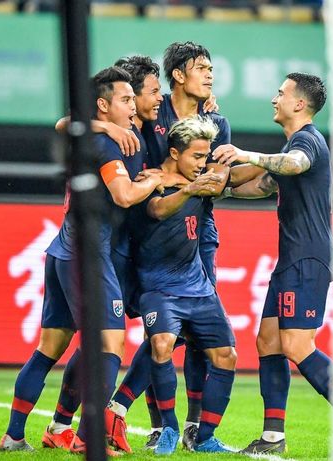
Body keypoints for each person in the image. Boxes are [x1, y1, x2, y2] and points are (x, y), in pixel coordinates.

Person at [0, 66, 163, 454]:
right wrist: (153, 181)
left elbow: (64, 124)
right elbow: (122, 195)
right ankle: (88, 440)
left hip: (62, 251)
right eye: (126, 100)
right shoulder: (108, 143)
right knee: (110, 344)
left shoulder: (102, 133)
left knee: (49, 349)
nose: (133, 107)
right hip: (86, 256)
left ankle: (15, 436)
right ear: (104, 105)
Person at [212, 73, 333, 456]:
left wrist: (244, 154)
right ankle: (272, 438)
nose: (274, 98)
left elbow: (295, 164)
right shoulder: (292, 145)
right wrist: (215, 191)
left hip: (308, 258)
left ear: (299, 103)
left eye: (281, 93)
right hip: (292, 259)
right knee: (268, 342)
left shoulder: (307, 141)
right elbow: (263, 185)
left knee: (297, 344)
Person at [106, 41, 232, 452]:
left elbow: (222, 177)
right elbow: (76, 120)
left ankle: (194, 427)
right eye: (201, 67)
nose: (210, 74)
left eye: (211, 68)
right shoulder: (150, 109)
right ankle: (157, 423)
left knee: (193, 332)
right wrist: (105, 125)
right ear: (178, 74)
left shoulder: (216, 121)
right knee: (158, 331)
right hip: (147, 232)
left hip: (199, 233)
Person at [132, 116, 237, 455]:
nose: (202, 164)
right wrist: (190, 188)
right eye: (196, 156)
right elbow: (157, 210)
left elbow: (232, 181)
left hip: (198, 288)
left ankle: (205, 437)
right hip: (159, 289)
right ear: (175, 152)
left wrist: (269, 170)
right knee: (161, 345)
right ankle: (168, 429)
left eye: (206, 157)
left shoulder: (203, 180)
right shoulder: (152, 181)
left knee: (227, 356)